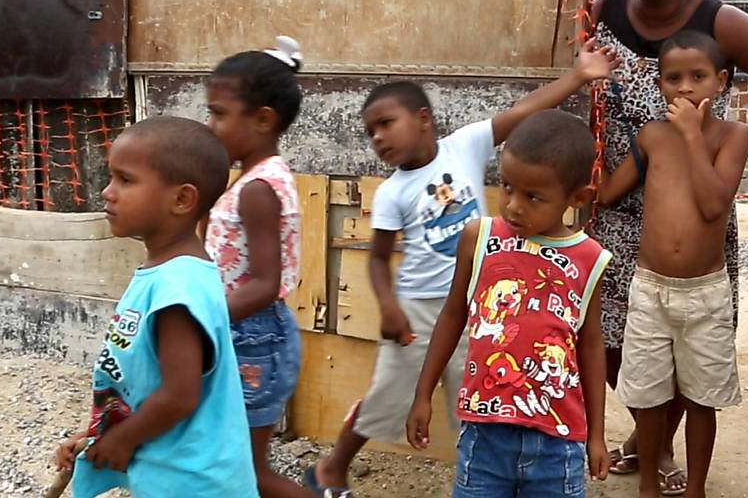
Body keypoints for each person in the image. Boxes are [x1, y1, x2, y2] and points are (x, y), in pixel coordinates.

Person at [304, 40, 619, 498]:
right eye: (371, 131)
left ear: (424, 119)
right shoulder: (396, 192)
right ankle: (335, 466)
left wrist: (577, 76)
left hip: (488, 308)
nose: (378, 138)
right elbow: (377, 257)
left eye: (387, 124)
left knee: (481, 390)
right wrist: (390, 307)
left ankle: (489, 468)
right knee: (390, 393)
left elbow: (523, 111)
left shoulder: (465, 146)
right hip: (423, 307)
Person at [589, 0, 748, 492]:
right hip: (623, 197)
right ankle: (649, 434)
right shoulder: (606, 8)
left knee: (691, 345)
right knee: (616, 336)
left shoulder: (725, 25)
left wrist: (727, 149)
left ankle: (658, 448)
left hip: (695, 201)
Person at [406, 109, 612, 497]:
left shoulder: (589, 258)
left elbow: (590, 343)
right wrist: (423, 393)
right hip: (485, 437)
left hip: (559, 442)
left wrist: (597, 435)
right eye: (507, 186)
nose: (514, 206)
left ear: (577, 197)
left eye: (533, 196)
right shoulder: (478, 238)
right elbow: (453, 314)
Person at [54, 117, 258, 498]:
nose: (107, 192)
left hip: (194, 483)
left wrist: (124, 441)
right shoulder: (164, 274)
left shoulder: (178, 289)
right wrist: (99, 435)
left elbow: (179, 395)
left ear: (181, 200)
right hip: (175, 474)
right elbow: (145, 386)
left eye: (125, 180)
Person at [599, 31, 748, 498]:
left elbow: (713, 204)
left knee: (702, 400)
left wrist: (690, 135)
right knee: (647, 396)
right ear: (660, 83)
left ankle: (696, 488)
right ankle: (648, 484)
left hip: (705, 294)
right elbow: (606, 193)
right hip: (649, 289)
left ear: (720, 81)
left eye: (698, 77)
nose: (684, 88)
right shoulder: (651, 137)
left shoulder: (733, 136)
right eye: (673, 78)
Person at [204, 36, 311, 498]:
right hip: (246, 334)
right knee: (230, 461)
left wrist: (203, 317)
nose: (210, 126)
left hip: (254, 338)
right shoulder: (249, 180)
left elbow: (266, 284)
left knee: (249, 472)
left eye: (219, 114)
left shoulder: (258, 188)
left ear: (263, 119)